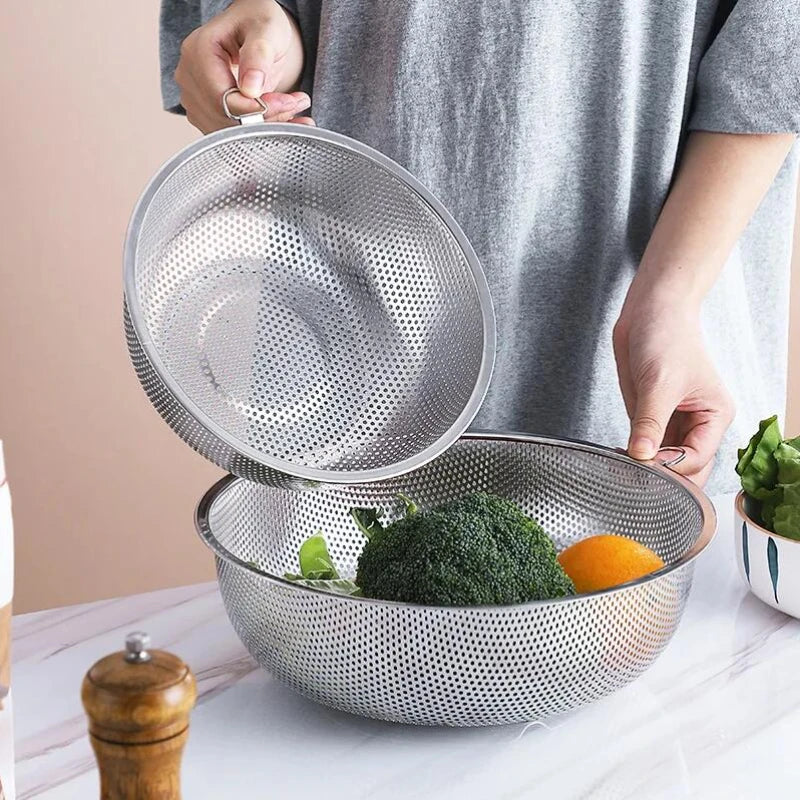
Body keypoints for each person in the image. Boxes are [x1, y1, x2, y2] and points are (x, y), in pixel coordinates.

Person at [160, 0, 799, 491]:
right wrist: (265, 31)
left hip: (651, 334)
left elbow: (770, 65)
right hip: (338, 352)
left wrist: (670, 298)